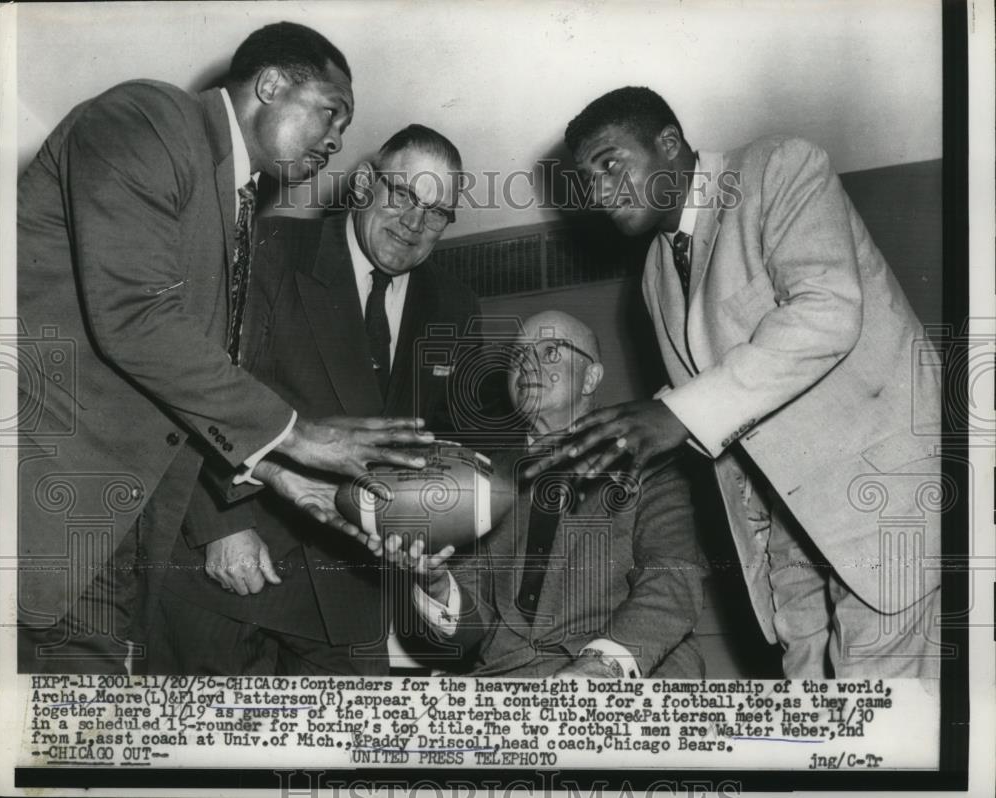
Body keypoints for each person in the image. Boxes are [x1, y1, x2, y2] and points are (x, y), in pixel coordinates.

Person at [16, 22, 434, 673]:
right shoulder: (148, 118)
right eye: (331, 112)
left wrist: (275, 473)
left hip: (116, 532)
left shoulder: (238, 213)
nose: (335, 141)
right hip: (52, 500)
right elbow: (134, 318)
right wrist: (298, 438)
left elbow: (179, 381)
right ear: (269, 84)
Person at [530, 87, 943, 678]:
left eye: (610, 164)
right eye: (587, 181)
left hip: (877, 503)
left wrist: (675, 414)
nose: (599, 192)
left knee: (878, 727)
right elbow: (721, 424)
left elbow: (827, 310)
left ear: (669, 144)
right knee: (811, 720)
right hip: (788, 534)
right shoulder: (653, 273)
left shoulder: (778, 166)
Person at [148, 126, 482, 675]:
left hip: (355, 596)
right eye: (403, 195)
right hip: (232, 567)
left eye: (439, 212)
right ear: (364, 184)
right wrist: (219, 523)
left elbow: (445, 443)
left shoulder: (456, 306)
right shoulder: (266, 249)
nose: (415, 223)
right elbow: (187, 386)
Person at [391, 311, 708, 679]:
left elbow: (672, 578)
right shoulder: (482, 477)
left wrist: (602, 665)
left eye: (550, 351)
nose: (528, 364)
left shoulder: (649, 460)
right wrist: (438, 584)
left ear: (591, 377)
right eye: (518, 355)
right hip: (504, 678)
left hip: (623, 672)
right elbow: (467, 628)